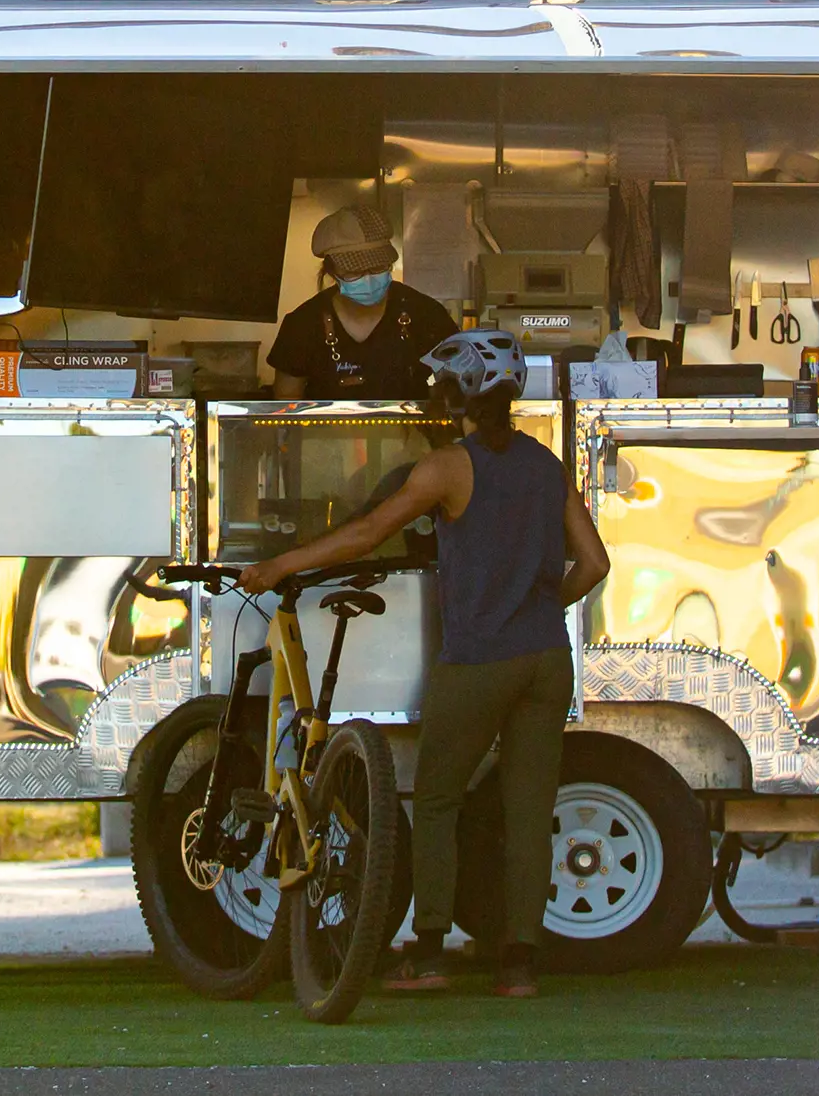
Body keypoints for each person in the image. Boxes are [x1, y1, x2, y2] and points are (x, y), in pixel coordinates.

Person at [237, 327, 610, 999]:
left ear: (456, 394)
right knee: (530, 813)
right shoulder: (544, 464)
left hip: (478, 662)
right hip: (546, 658)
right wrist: (538, 601)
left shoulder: (446, 467)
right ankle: (519, 965)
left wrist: (279, 565)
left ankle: (432, 950)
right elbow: (595, 563)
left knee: (436, 801)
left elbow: (367, 532)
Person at [267, 202, 458, 400]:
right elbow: (286, 402)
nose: (368, 277)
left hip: (412, 430)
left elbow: (456, 388)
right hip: (325, 431)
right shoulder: (302, 325)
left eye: (377, 268)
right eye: (354, 271)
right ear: (331, 270)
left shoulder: (426, 314)